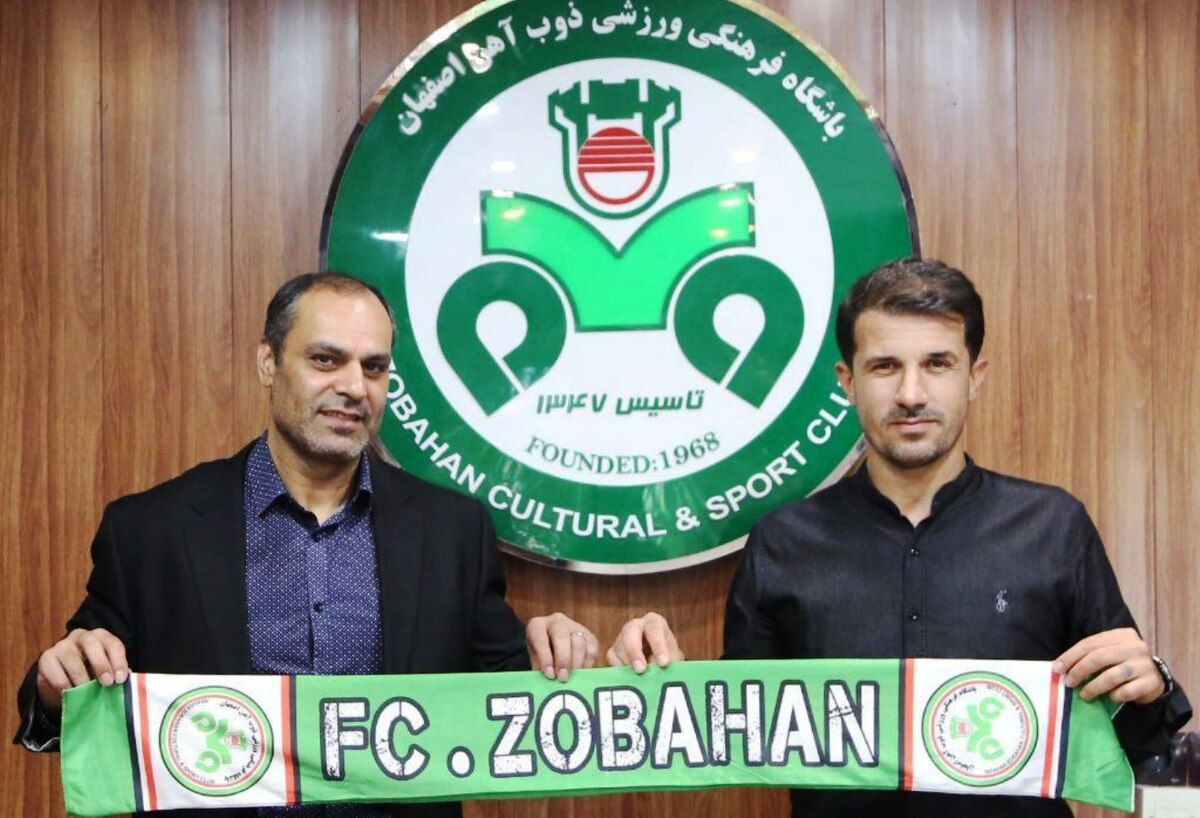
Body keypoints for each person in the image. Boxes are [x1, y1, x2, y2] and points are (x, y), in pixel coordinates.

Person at [608, 258, 1191, 817]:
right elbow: (736, 734)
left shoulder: (1053, 527)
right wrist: (662, 683)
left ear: (974, 377)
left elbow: (1137, 742)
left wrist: (1150, 685)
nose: (911, 394)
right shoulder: (782, 543)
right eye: (885, 366)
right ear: (848, 381)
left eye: (937, 364)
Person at [15, 272, 599, 818]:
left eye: (374, 368)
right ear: (268, 362)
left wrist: (563, 654)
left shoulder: (453, 530)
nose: (354, 387)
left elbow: (508, 699)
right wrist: (55, 683)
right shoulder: (151, 529)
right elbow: (71, 694)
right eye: (326, 359)